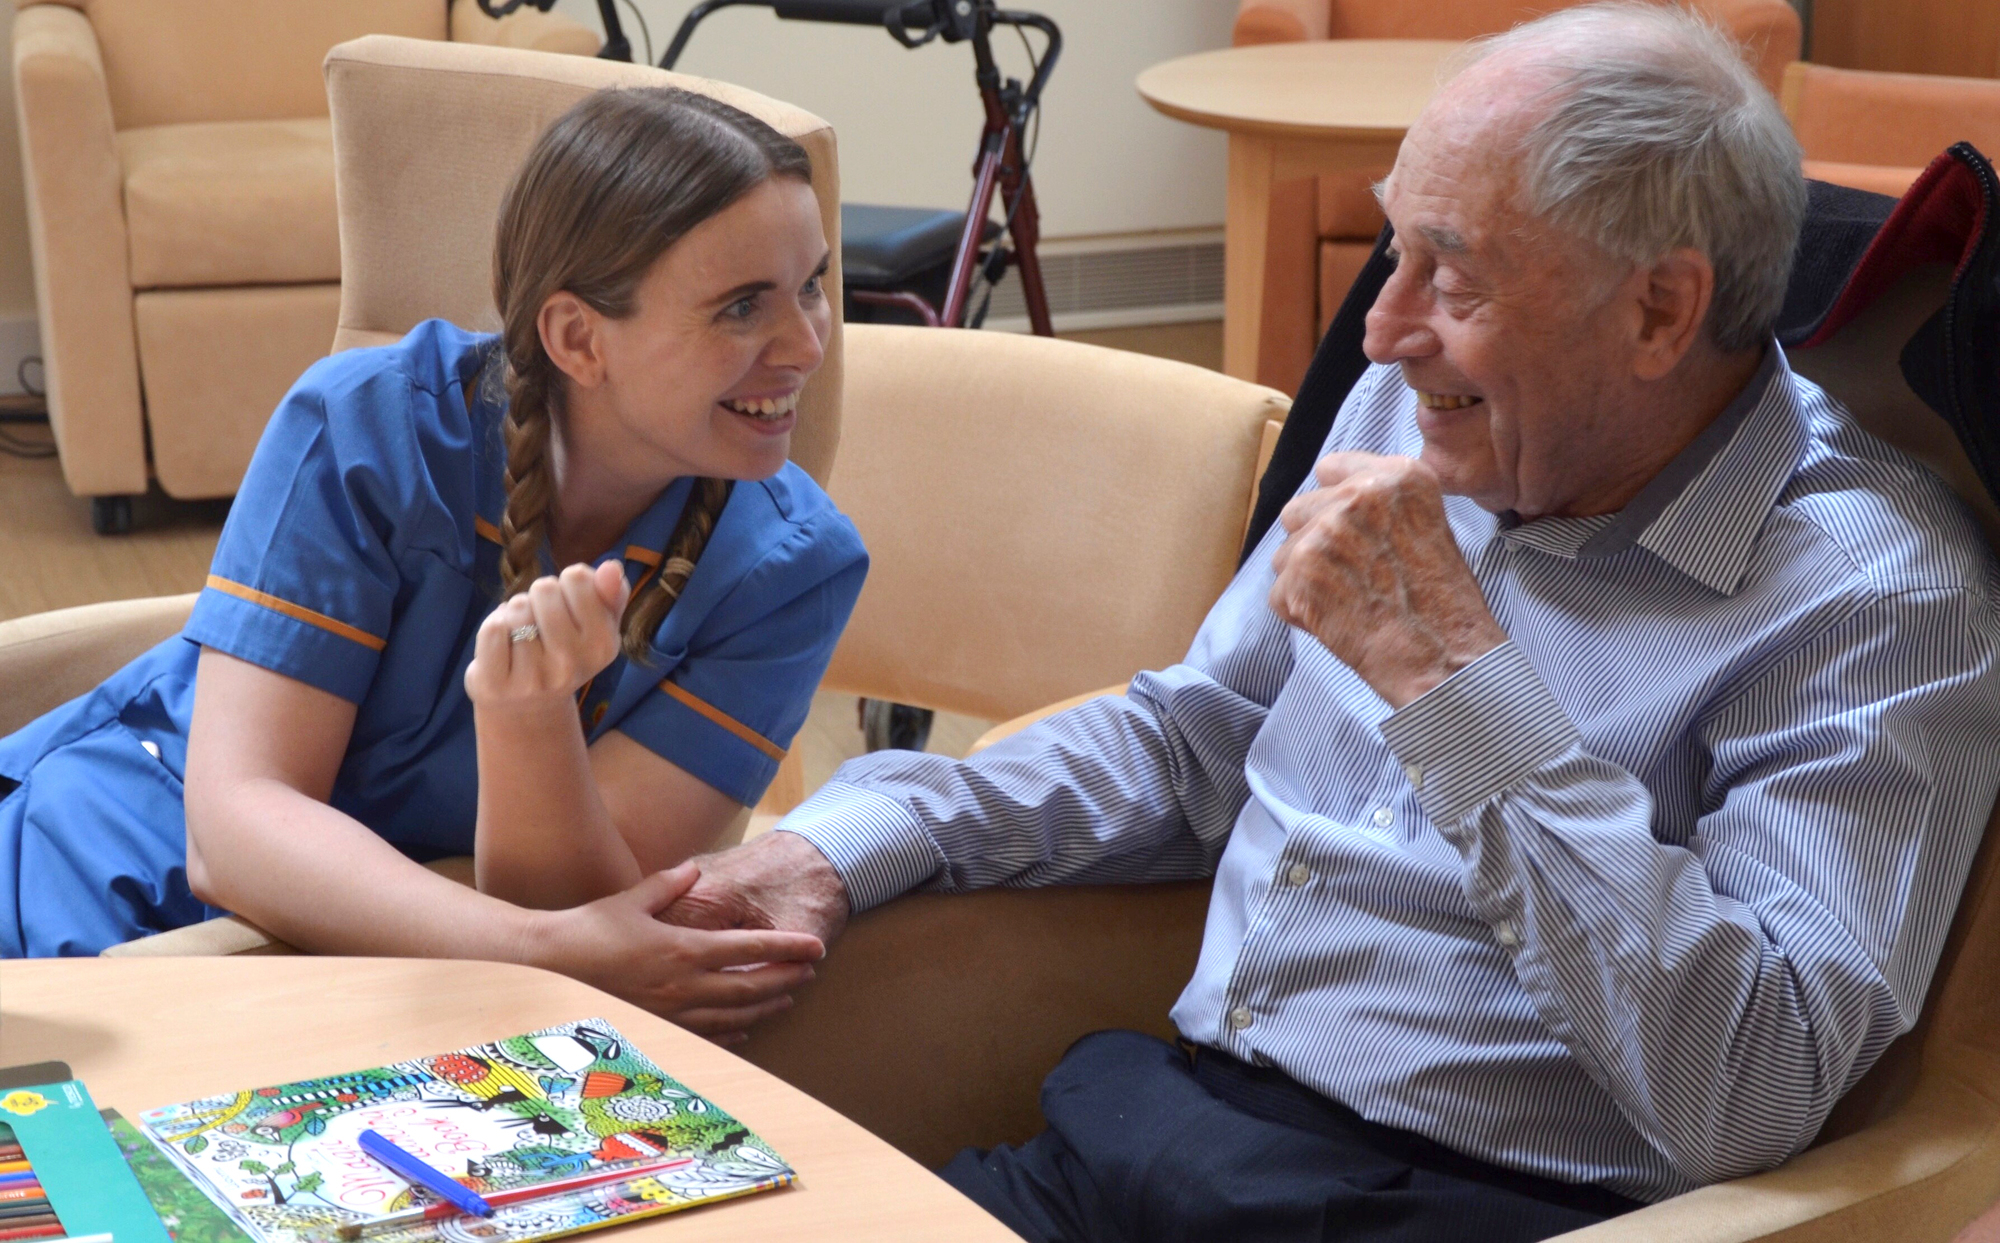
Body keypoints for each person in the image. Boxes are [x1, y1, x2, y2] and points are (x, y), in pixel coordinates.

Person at [663, 4, 2000, 1238]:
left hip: (1469, 1200)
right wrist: (848, 846)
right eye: (1391, 248)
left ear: (1660, 310)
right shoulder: (1429, 411)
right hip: (1150, 1133)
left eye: (1453, 275)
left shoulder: (1878, 601)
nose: (1381, 331)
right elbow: (1195, 742)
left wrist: (1451, 676)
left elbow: (1753, 1081)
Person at [0, 86, 868, 1043]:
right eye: (743, 306)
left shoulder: (792, 569)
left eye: (812, 286)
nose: (806, 345)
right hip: (112, 872)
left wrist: (528, 722)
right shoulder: (365, 428)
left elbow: (590, 915)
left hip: (412, 977)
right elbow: (233, 829)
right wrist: (531, 948)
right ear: (578, 337)